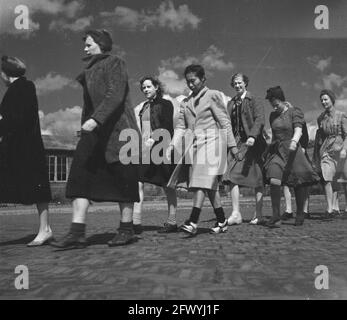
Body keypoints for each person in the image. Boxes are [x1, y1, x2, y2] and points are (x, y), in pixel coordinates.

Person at [52, 29, 140, 249]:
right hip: (94, 132)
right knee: (80, 175)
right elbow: (88, 105)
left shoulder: (115, 62)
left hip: (120, 131)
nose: (85, 48)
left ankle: (127, 229)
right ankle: (77, 233)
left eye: (89, 44)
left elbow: (115, 94)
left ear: (100, 44)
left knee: (124, 179)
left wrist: (96, 120)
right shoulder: (88, 70)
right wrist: (87, 127)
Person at [166, 64, 237, 235]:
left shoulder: (213, 95)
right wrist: (171, 145)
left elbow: (224, 121)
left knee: (200, 180)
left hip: (214, 143)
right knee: (209, 186)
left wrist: (232, 145)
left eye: (194, 81)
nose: (190, 85)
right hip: (195, 146)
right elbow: (181, 127)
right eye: (188, 82)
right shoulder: (186, 102)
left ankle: (193, 221)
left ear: (203, 78)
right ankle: (222, 221)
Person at [0, 55, 53, 246]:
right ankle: (44, 228)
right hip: (16, 146)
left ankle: (45, 229)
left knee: (37, 187)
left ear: (6, 73)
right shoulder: (19, 88)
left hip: (25, 146)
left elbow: (17, 119)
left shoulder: (22, 88)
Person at [263, 86, 319, 227]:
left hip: (293, 149)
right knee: (274, 177)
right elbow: (274, 136)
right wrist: (267, 149)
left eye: (274, 100)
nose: (273, 104)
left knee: (298, 182)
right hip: (278, 150)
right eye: (270, 101)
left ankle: (300, 212)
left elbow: (299, 129)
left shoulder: (295, 111)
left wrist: (294, 141)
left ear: (281, 98)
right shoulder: (272, 116)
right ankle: (276, 215)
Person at [132, 76, 178, 234]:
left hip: (161, 147)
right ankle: (136, 222)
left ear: (156, 87)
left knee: (167, 185)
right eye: (143, 88)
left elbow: (167, 126)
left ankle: (172, 222)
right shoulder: (143, 107)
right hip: (145, 150)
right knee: (138, 180)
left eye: (148, 87)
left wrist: (156, 139)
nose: (145, 90)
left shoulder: (166, 104)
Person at [222, 73, 266, 226]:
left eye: (240, 83)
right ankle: (236, 213)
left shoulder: (254, 99)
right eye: (235, 83)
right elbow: (226, 123)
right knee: (231, 174)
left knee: (258, 177)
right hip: (237, 141)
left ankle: (259, 213)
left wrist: (253, 135)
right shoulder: (230, 103)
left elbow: (260, 118)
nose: (237, 85)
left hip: (255, 142)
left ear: (245, 83)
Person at [313, 89, 347, 219]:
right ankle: (329, 209)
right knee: (326, 179)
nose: (323, 102)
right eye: (321, 100)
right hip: (327, 151)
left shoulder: (341, 115)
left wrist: (344, 149)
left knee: (344, 180)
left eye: (325, 99)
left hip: (342, 151)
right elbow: (320, 136)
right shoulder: (320, 118)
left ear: (332, 100)